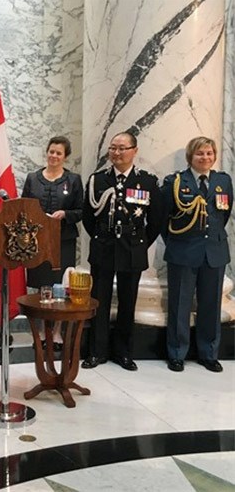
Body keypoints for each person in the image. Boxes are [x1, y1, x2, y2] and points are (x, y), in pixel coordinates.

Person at [82, 132, 162, 371]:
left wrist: (140, 243)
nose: (116, 153)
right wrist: (101, 237)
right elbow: (88, 217)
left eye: (122, 148)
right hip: (104, 246)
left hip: (132, 248)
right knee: (99, 300)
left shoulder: (147, 182)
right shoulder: (98, 180)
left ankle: (124, 353)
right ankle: (97, 352)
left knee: (128, 303)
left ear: (134, 151)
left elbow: (156, 219)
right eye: (113, 148)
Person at [161, 137, 231, 373]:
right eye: (200, 153)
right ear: (191, 156)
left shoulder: (224, 181)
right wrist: (177, 242)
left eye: (210, 153)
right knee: (179, 305)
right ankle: (177, 353)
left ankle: (208, 353)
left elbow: (224, 215)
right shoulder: (176, 182)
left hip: (214, 251)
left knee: (211, 305)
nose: (206, 158)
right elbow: (164, 219)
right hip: (183, 251)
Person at [21, 136, 83, 351]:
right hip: (37, 242)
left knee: (60, 287)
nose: (54, 156)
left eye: (59, 153)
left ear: (65, 157)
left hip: (63, 241)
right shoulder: (32, 178)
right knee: (40, 286)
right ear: (46, 152)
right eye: (51, 151)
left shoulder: (73, 180)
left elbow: (81, 211)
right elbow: (23, 207)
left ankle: (56, 332)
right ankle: (39, 332)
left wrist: (65, 213)